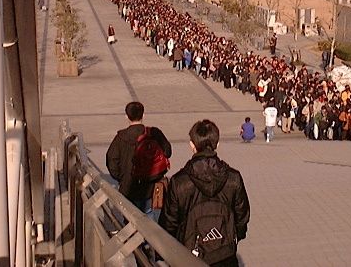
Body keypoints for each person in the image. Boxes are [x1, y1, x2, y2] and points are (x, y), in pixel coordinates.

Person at [159, 120, 250, 266]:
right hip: (225, 253)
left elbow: (169, 222)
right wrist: (235, 236)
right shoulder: (233, 178)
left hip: (190, 254)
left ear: (192, 145)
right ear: (217, 144)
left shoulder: (179, 182)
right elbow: (242, 216)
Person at [106, 102, 172, 221]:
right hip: (151, 186)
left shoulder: (121, 137)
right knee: (149, 219)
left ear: (126, 116)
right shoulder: (154, 133)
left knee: (129, 220)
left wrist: (121, 177)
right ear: (143, 115)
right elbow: (168, 151)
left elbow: (111, 160)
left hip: (128, 187)